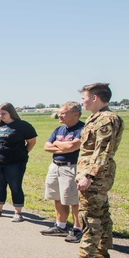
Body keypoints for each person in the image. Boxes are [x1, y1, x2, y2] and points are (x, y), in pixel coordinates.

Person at [58, 83, 125, 258]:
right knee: (102, 213)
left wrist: (88, 175)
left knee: (90, 216)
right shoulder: (96, 118)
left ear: (95, 98)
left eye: (84, 98)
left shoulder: (106, 119)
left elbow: (103, 151)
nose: (83, 102)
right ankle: (102, 252)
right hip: (95, 173)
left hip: (95, 175)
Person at [0, 103, 37, 222]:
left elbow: (32, 142)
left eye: (3, 113)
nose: (0, 115)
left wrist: (24, 153)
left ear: (11, 113)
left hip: (15, 162)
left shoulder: (22, 126)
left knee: (15, 186)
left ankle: (18, 212)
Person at [40, 102, 85, 238]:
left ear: (75, 114)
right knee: (57, 197)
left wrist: (57, 143)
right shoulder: (59, 129)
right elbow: (46, 147)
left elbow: (72, 146)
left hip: (71, 167)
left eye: (63, 113)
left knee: (73, 200)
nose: (60, 115)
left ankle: (78, 229)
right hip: (55, 165)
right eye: (60, 112)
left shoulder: (82, 129)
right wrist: (63, 146)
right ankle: (61, 226)